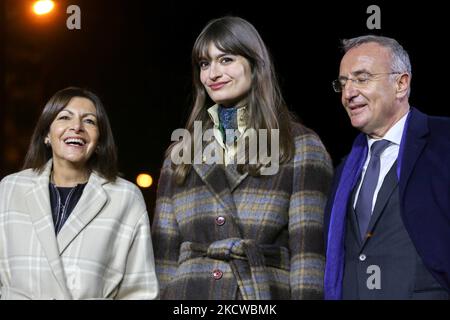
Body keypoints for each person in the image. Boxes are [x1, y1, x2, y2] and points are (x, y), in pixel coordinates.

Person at [152, 16, 333, 300]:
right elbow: (163, 259)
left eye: (226, 60)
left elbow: (308, 257)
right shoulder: (179, 153)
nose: (212, 73)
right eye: (204, 63)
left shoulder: (300, 146)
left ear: (255, 64)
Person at [0, 87, 159, 299]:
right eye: (64, 117)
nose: (76, 127)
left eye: (89, 121)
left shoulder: (125, 197)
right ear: (46, 134)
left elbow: (141, 291)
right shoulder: (10, 189)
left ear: (100, 141)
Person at [324, 35, 450, 299]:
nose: (348, 93)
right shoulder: (343, 171)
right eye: (343, 83)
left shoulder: (444, 140)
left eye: (362, 79)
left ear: (401, 84)